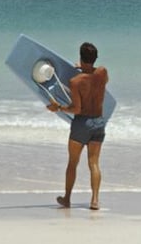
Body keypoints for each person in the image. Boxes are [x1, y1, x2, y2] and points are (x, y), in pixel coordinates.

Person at [46, 42, 108, 210]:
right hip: (99, 122)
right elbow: (99, 80)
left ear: (80, 59)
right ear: (95, 58)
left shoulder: (75, 81)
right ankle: (95, 200)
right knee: (94, 163)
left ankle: (67, 199)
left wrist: (58, 107)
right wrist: (85, 68)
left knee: (73, 163)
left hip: (82, 124)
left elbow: (77, 109)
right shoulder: (103, 72)